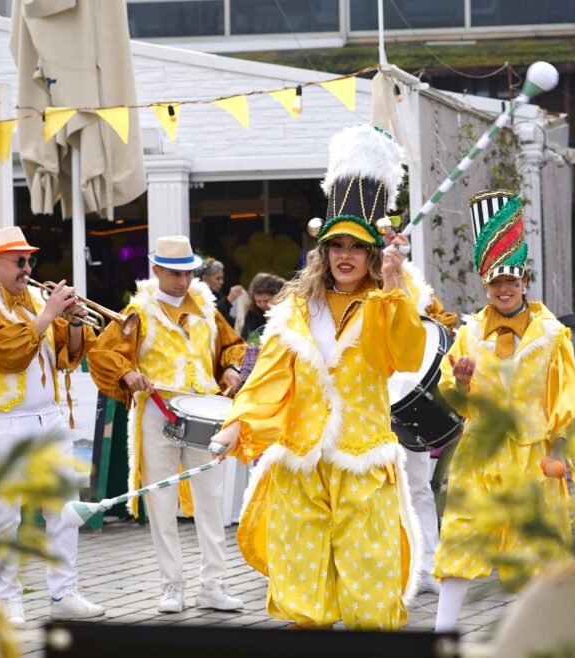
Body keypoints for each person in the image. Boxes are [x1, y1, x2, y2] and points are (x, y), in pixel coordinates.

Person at [210, 124, 426, 630]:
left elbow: (402, 354)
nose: (344, 255)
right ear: (323, 251)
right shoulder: (294, 312)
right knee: (303, 594)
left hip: (361, 461)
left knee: (369, 593)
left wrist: (393, 288)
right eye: (336, 245)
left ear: (372, 252)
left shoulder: (385, 302)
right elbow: (267, 378)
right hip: (301, 465)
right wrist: (236, 425)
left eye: (355, 246)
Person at [433, 190, 575, 631]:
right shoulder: (468, 334)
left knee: (538, 547)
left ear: (523, 283)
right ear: (486, 286)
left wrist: (558, 450)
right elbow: (454, 398)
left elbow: (568, 397)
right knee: (463, 537)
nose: (504, 290)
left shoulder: (552, 336)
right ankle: (442, 633)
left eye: (511, 282)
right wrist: (461, 382)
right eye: (496, 283)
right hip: (480, 453)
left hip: (532, 456)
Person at [0, 225, 104, 625]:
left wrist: (73, 323)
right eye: (19, 261)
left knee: (65, 508)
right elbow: (10, 354)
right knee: (5, 514)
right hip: (2, 420)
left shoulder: (34, 297)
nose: (27, 267)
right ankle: (6, 598)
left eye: (30, 259)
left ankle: (64, 592)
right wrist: (49, 313)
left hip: (49, 416)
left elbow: (65, 359)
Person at [88, 235, 247, 614]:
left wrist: (231, 367)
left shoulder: (208, 308)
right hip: (158, 411)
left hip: (205, 411)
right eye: (174, 273)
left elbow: (232, 345)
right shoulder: (137, 313)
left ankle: (214, 584)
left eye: (188, 273)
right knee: (161, 500)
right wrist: (127, 373)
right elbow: (103, 352)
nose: (182, 280)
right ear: (156, 270)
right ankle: (171, 585)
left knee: (211, 499)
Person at [388, 230, 460, 596]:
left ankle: (428, 565)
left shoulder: (411, 285)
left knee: (417, 486)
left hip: (400, 405)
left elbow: (442, 321)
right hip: (356, 406)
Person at [239, 272, 286, 341]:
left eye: (266, 301)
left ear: (277, 297)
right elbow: (249, 341)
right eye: (258, 301)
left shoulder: (287, 313)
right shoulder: (252, 315)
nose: (262, 305)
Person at [197, 258, 244, 327]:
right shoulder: (197, 296)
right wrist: (229, 300)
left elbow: (226, 319)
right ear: (205, 279)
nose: (222, 282)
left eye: (222, 278)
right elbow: (213, 314)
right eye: (217, 278)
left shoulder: (217, 295)